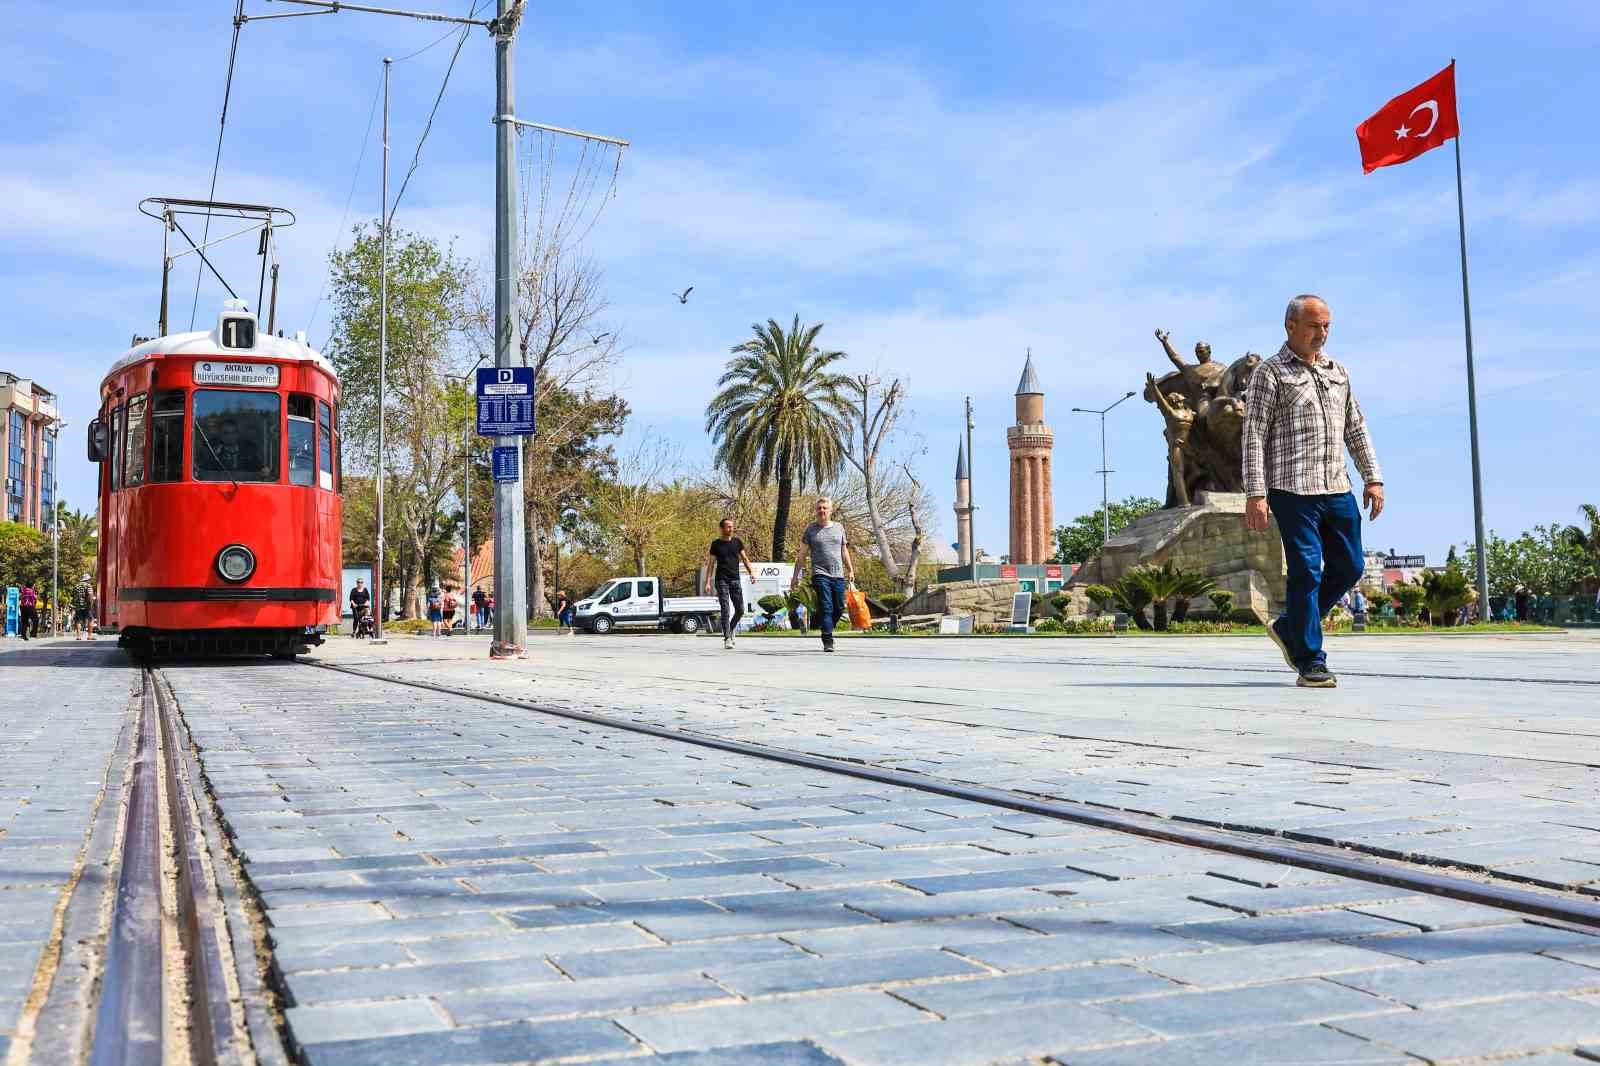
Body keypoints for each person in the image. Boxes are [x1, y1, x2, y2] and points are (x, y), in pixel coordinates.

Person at [1244, 294, 1384, 689]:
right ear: (1291, 327)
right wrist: (1256, 493)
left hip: (1337, 486)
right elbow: (1253, 435)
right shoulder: (1270, 373)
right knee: (1306, 570)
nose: (1321, 334)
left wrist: (1373, 477)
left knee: (1352, 565)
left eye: (1326, 326)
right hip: (1292, 489)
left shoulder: (1338, 371)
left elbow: (1355, 428)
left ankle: (1291, 627)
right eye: (1313, 326)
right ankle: (1311, 660)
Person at [790, 497, 856, 652]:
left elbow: (844, 550)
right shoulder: (810, 530)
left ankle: (826, 627)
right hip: (820, 574)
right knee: (827, 606)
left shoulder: (839, 528)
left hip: (838, 575)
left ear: (830, 510)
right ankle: (828, 640)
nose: (822, 511)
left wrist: (850, 569)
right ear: (816, 510)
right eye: (819, 508)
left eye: (824, 508)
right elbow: (801, 555)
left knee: (839, 607)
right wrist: (794, 577)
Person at [705, 517, 758, 649]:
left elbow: (745, 559)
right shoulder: (716, 544)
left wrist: (751, 572)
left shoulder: (737, 542)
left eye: (732, 526)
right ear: (722, 528)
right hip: (721, 580)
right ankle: (727, 638)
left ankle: (731, 628)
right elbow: (711, 564)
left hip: (735, 579)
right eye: (728, 527)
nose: (731, 529)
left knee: (740, 610)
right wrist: (707, 582)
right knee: (725, 609)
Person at [71, 574, 95, 640]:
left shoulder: (76, 586)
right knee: (90, 619)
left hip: (78, 606)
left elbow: (72, 595)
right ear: (87, 580)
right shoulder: (88, 585)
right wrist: (90, 604)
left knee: (78, 620)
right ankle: (89, 636)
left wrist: (75, 604)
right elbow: (90, 595)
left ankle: (78, 636)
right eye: (89, 580)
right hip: (86, 606)